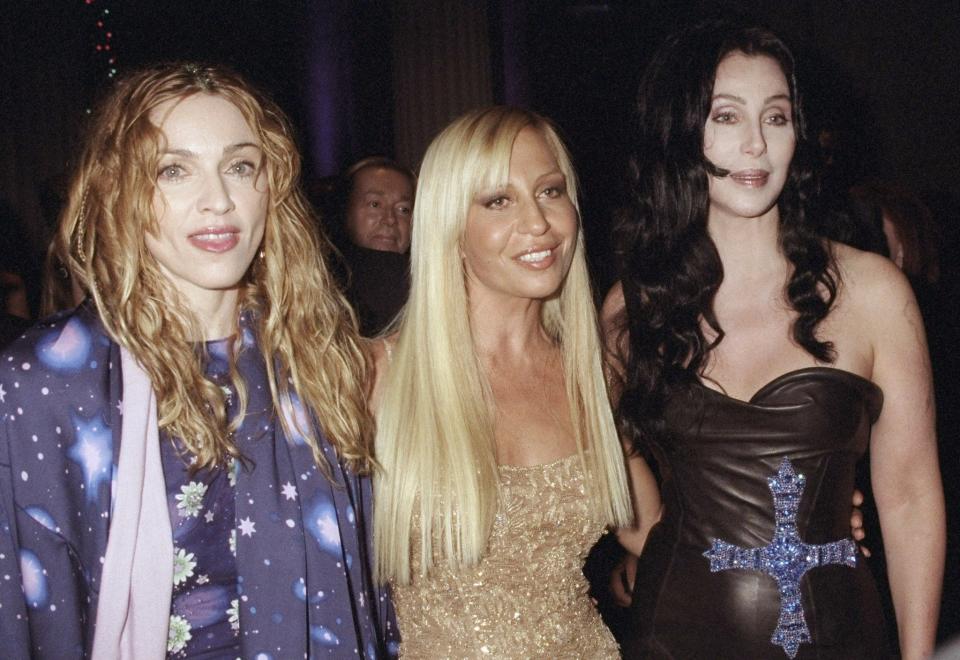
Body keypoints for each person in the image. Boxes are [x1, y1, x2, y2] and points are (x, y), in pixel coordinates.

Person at [0, 63, 394, 658]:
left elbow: (372, 595)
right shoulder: (45, 383)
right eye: (174, 170)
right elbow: (26, 621)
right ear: (120, 190)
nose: (219, 200)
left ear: (272, 187)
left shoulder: (316, 360)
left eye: (240, 167)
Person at [604, 22, 945, 659]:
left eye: (777, 116)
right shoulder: (632, 307)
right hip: (671, 636)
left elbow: (909, 495)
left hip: (840, 638)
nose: (757, 144)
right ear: (681, 133)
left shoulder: (873, 293)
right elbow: (590, 463)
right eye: (727, 116)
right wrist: (640, 539)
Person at [370, 106, 633, 657]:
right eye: (498, 200)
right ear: (450, 225)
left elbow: (650, 525)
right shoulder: (375, 377)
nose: (538, 223)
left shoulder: (596, 378)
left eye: (551, 191)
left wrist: (798, 512)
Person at [327, 157, 416, 336]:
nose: (390, 219)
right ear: (345, 210)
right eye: (375, 204)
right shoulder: (318, 282)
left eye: (403, 209)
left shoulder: (432, 281)